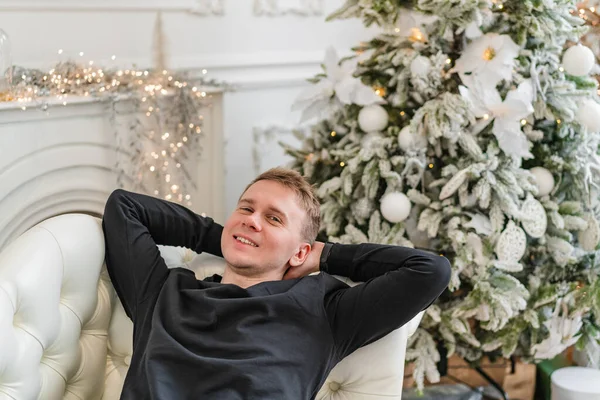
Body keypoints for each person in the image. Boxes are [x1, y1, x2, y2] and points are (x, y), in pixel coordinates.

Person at [102, 167, 451, 400]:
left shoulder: (323, 312)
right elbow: (124, 207)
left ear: (301, 251)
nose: (252, 220)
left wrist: (325, 255)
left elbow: (429, 271)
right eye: (245, 208)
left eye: (273, 218)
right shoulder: (164, 291)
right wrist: (229, 236)